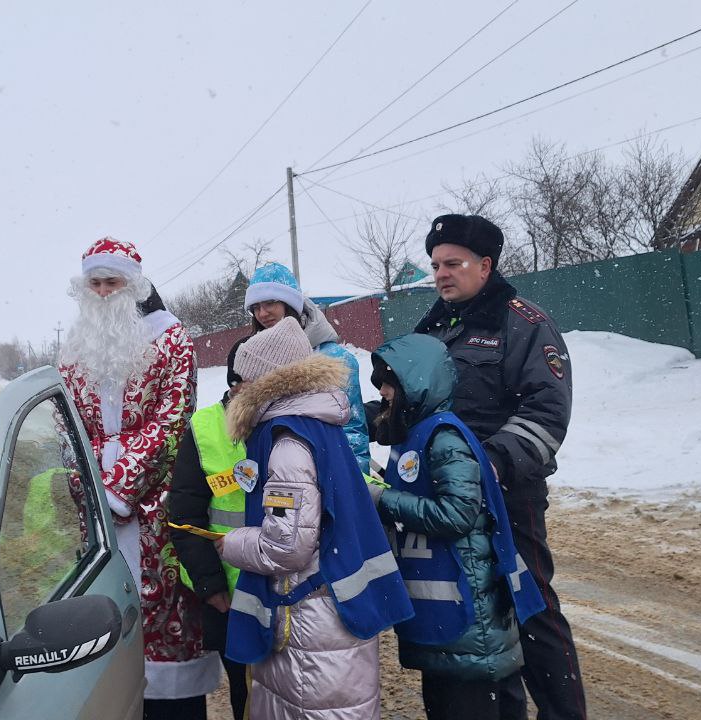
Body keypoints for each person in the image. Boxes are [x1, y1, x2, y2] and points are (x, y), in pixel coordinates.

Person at [414, 214, 586, 720]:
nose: (442, 273)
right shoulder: (432, 327)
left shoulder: (524, 323)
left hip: (508, 495)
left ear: (485, 265)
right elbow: (412, 403)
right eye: (436, 265)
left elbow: (547, 411)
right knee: (466, 613)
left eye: (453, 263)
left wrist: (488, 463)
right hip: (444, 498)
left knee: (529, 607)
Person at [217, 317, 413, 720]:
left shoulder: (286, 444)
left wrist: (231, 544)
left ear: (264, 383)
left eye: (243, 380)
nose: (236, 390)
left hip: (309, 622)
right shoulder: (320, 426)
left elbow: (286, 546)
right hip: (332, 608)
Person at [58, 237, 218, 719]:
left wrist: (120, 487)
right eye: (96, 282)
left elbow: (172, 420)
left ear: (134, 285)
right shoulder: (74, 348)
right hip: (99, 518)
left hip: (155, 508)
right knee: (106, 622)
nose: (105, 291)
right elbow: (68, 427)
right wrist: (88, 486)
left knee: (166, 627)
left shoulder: (172, 340)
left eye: (114, 281)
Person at [369, 333, 546, 719]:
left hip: (470, 623)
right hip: (452, 625)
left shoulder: (445, 437)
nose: (382, 392)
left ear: (416, 383)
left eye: (388, 383)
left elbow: (457, 514)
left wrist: (381, 500)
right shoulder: (417, 435)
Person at [167, 337, 250, 720]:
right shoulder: (204, 429)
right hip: (232, 596)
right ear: (234, 383)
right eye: (244, 383)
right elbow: (185, 517)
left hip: (286, 593)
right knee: (245, 691)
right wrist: (212, 587)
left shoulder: (284, 422)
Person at [244, 262, 371, 475]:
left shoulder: (333, 359)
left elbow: (352, 431)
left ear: (290, 304)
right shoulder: (255, 360)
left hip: (326, 475)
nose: (262, 313)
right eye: (255, 308)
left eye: (269, 303)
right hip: (276, 478)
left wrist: (353, 487)